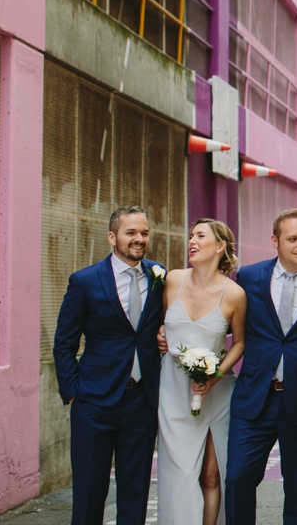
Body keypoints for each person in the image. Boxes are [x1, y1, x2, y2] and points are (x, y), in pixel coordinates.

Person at [224, 209, 297, 524]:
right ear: (274, 241)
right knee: (237, 478)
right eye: (293, 239)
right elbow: (226, 320)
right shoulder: (249, 277)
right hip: (254, 399)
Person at [53, 206, 165, 525]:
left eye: (144, 232)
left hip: (142, 401)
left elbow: (168, 322)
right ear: (112, 237)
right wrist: (73, 391)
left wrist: (164, 335)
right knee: (90, 492)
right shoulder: (85, 281)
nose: (139, 239)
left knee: (135, 491)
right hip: (93, 402)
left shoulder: (160, 277)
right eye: (131, 233)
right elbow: (64, 342)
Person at [157, 219, 247, 525]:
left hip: (218, 391)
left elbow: (239, 344)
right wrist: (160, 334)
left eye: (200, 236)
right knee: (181, 473)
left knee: (211, 475)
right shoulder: (173, 280)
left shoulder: (234, 294)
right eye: (191, 235)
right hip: (174, 389)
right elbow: (161, 325)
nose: (191, 241)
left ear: (219, 246)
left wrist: (214, 376)